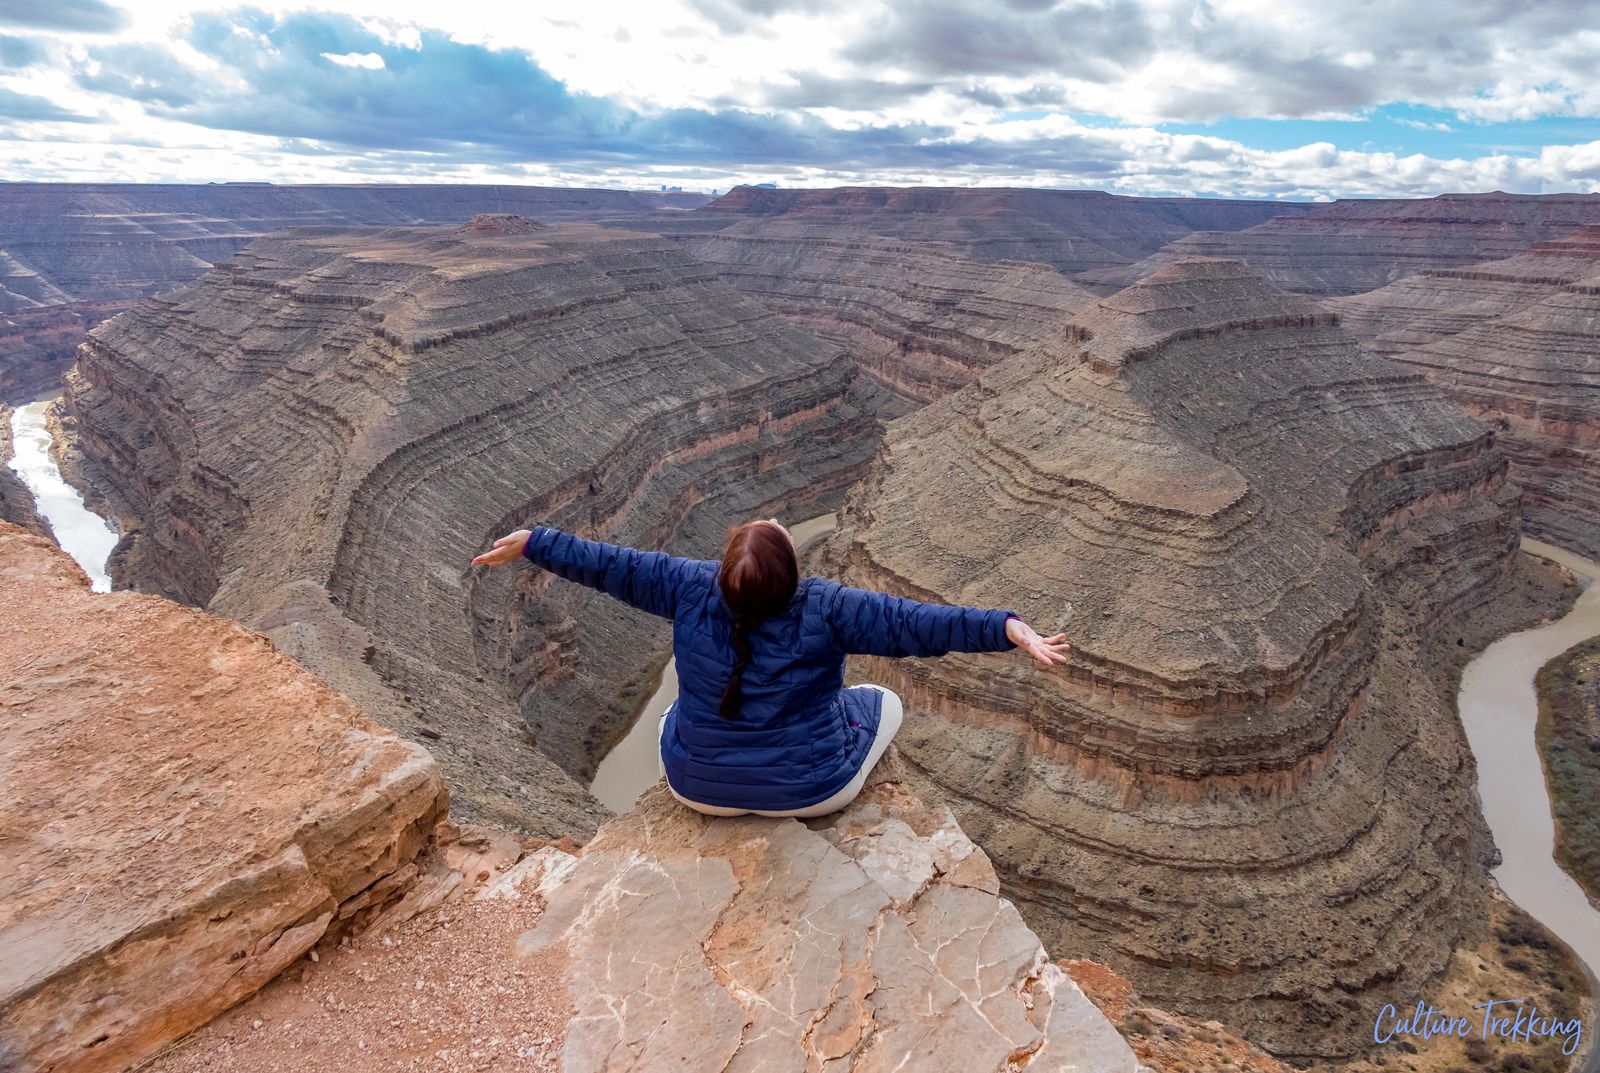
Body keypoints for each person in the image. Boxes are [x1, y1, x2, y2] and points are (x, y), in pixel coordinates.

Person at [472, 517, 1070, 818]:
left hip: (696, 789)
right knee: (884, 701)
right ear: (790, 573)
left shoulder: (687, 585)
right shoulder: (831, 606)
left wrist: (535, 542)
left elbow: (611, 565)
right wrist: (1005, 628)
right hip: (809, 792)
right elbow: (917, 623)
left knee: (676, 716)